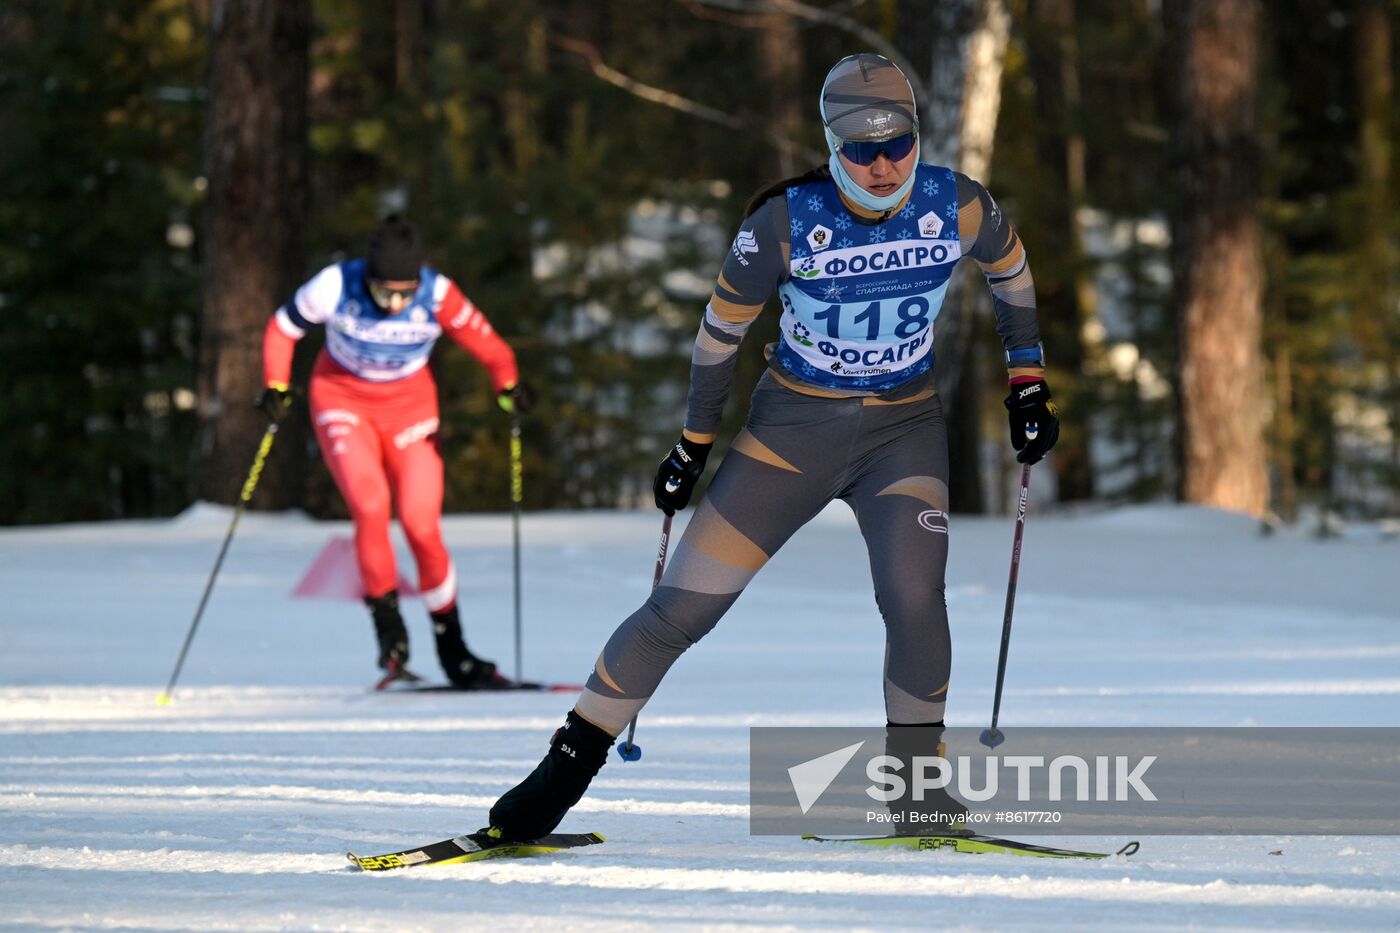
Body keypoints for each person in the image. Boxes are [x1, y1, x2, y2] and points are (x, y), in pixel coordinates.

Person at [484, 53, 1060, 840]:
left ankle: (916, 794)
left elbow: (1013, 271)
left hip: (903, 431)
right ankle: (555, 781)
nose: (883, 164)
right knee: (680, 611)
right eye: (861, 148)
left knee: (914, 600)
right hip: (792, 436)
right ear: (831, 146)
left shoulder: (958, 204)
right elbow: (718, 339)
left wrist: (1027, 381)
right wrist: (692, 443)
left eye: (897, 142)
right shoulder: (785, 222)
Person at [257, 215, 533, 686]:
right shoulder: (335, 284)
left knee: (422, 525)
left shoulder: (438, 293)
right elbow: (283, 329)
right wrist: (277, 385)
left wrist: (508, 386)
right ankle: (391, 637)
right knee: (369, 506)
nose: (396, 303)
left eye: (405, 293)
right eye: (386, 293)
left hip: (409, 407)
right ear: (369, 278)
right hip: (342, 399)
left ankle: (454, 649)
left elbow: (490, 348)